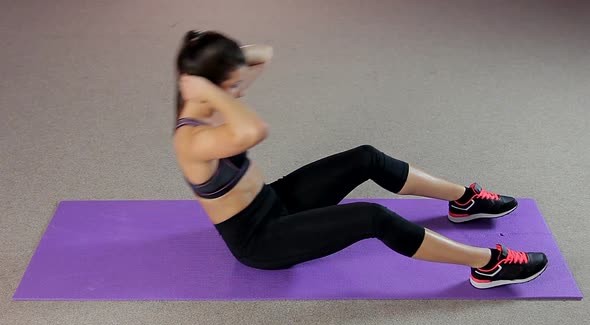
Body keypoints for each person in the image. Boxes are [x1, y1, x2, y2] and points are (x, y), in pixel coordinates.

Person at [172, 30, 547, 289]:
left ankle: (464, 200)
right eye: (231, 87)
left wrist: (214, 68)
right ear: (208, 85)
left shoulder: (208, 105)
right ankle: (488, 265)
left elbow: (262, 56)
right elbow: (254, 131)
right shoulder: (192, 138)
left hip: (274, 201)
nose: (239, 93)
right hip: (261, 240)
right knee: (372, 217)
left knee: (364, 158)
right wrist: (208, 86)